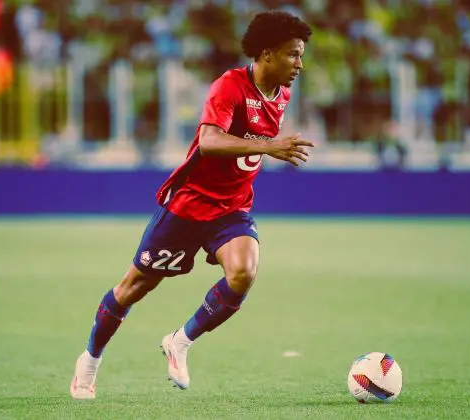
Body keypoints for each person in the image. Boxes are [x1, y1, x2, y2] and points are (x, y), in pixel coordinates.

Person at [70, 10, 314, 399]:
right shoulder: (229, 86)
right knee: (132, 288)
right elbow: (209, 142)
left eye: (301, 55)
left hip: (232, 207)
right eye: (293, 54)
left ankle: (180, 341)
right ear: (267, 54)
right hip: (189, 206)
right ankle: (90, 360)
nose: (300, 64)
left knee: (243, 272)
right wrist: (269, 146)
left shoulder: (281, 93)